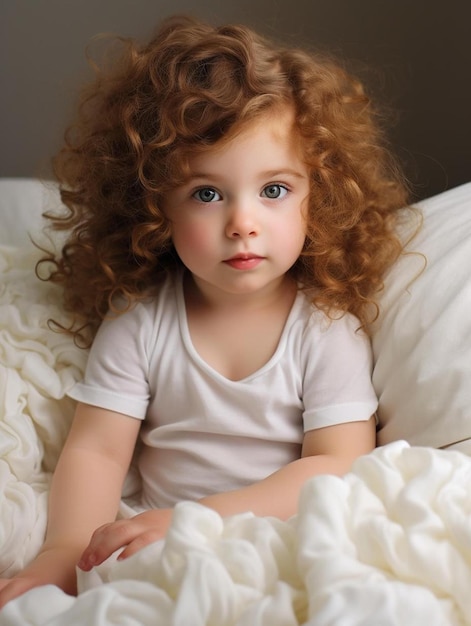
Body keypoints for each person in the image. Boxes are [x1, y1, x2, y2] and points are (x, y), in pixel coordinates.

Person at [0, 14, 410, 607]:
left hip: (270, 536)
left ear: (315, 196)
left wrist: (199, 518)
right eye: (207, 193)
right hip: (149, 538)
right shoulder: (141, 321)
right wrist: (64, 552)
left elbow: (337, 464)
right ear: (154, 206)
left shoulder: (324, 329)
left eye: (274, 190)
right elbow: (97, 449)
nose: (242, 222)